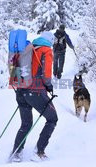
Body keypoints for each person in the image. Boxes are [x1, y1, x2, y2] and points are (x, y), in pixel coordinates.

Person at [11, 31, 58, 162]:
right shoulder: (46, 50)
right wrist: (48, 86)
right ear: (50, 41)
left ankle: (16, 153)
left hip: (21, 90)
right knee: (52, 119)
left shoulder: (28, 49)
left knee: (26, 123)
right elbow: (47, 73)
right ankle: (39, 152)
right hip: (35, 92)